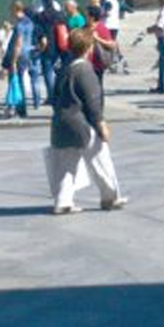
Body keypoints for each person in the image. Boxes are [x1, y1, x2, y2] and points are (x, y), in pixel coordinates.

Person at [47, 28, 127, 215]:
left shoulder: (64, 69)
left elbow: (55, 97)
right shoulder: (85, 70)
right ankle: (110, 197)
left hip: (61, 123)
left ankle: (62, 201)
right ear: (89, 48)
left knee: (66, 165)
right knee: (100, 158)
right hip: (80, 124)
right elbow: (92, 101)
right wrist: (101, 124)